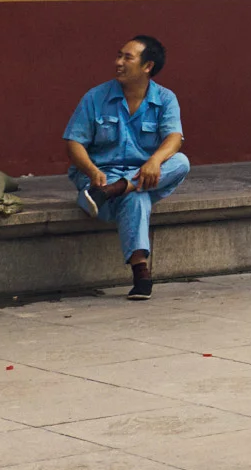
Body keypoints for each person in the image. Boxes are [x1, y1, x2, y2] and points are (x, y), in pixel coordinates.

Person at [62, 35, 188, 300]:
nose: (118, 62)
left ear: (147, 66)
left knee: (180, 162)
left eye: (127, 58)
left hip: (141, 175)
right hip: (99, 181)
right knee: (137, 197)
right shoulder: (96, 97)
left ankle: (118, 189)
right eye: (119, 56)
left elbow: (174, 138)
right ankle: (140, 272)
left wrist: (154, 161)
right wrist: (92, 171)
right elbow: (74, 142)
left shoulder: (165, 99)